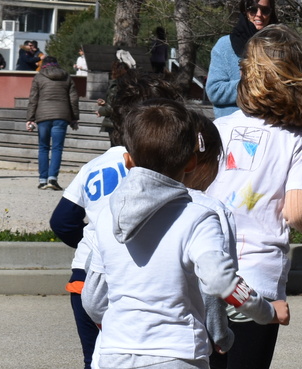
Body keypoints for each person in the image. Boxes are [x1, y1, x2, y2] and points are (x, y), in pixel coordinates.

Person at [82, 98, 287, 369]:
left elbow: (94, 301)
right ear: (191, 162)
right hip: (176, 353)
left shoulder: (106, 215)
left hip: (111, 353)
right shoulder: (199, 215)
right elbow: (218, 281)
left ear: (128, 160)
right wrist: (266, 312)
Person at [205, 24, 302, 369]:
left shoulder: (218, 129)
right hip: (256, 281)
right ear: (298, 76)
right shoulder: (300, 139)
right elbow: (299, 214)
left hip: (206, 273)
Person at [50, 76, 184, 369]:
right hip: (140, 276)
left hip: (85, 276)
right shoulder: (162, 166)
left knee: (95, 359)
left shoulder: (94, 167)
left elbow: (61, 220)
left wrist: (94, 240)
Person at [206, 0, 277, 118]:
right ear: (245, 11)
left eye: (265, 10)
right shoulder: (225, 46)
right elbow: (214, 91)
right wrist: (250, 84)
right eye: (253, 9)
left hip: (271, 125)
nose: (259, 14)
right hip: (233, 128)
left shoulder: (280, 45)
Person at [25, 56, 80, 191]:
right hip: (61, 116)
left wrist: (30, 118)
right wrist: (74, 118)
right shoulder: (66, 76)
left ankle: (42, 180)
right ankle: (52, 179)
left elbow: (33, 98)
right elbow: (73, 98)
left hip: (43, 116)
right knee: (57, 148)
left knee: (43, 148)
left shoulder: (39, 77)